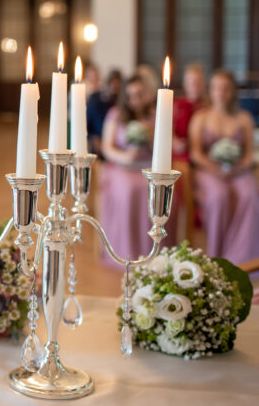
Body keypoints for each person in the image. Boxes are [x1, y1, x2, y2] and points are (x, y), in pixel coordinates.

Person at [99, 75, 178, 265]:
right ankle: (128, 251)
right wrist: (125, 157)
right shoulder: (116, 114)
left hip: (148, 167)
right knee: (129, 190)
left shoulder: (156, 114)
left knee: (155, 190)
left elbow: (169, 145)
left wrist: (151, 138)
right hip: (122, 168)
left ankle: (153, 249)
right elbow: (107, 147)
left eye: (140, 94)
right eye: (131, 95)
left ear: (147, 94)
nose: (135, 100)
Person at [189, 70, 259, 262]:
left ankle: (244, 258)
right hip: (208, 171)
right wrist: (216, 169)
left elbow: (248, 154)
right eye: (217, 88)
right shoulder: (200, 117)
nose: (221, 92)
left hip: (238, 170)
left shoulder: (244, 118)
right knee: (219, 196)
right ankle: (216, 255)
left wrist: (238, 168)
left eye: (226, 88)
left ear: (232, 91)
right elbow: (196, 153)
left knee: (249, 194)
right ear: (211, 91)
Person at [172, 63, 207, 162]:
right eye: (192, 82)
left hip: (203, 152)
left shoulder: (209, 107)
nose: (195, 86)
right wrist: (174, 142)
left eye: (198, 82)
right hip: (181, 153)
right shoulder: (176, 105)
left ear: (204, 84)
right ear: (185, 84)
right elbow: (168, 130)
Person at [86, 69, 121, 156]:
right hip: (97, 142)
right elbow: (87, 123)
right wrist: (94, 137)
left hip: (117, 144)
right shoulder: (95, 98)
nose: (114, 88)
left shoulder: (122, 102)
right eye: (112, 84)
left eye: (117, 87)